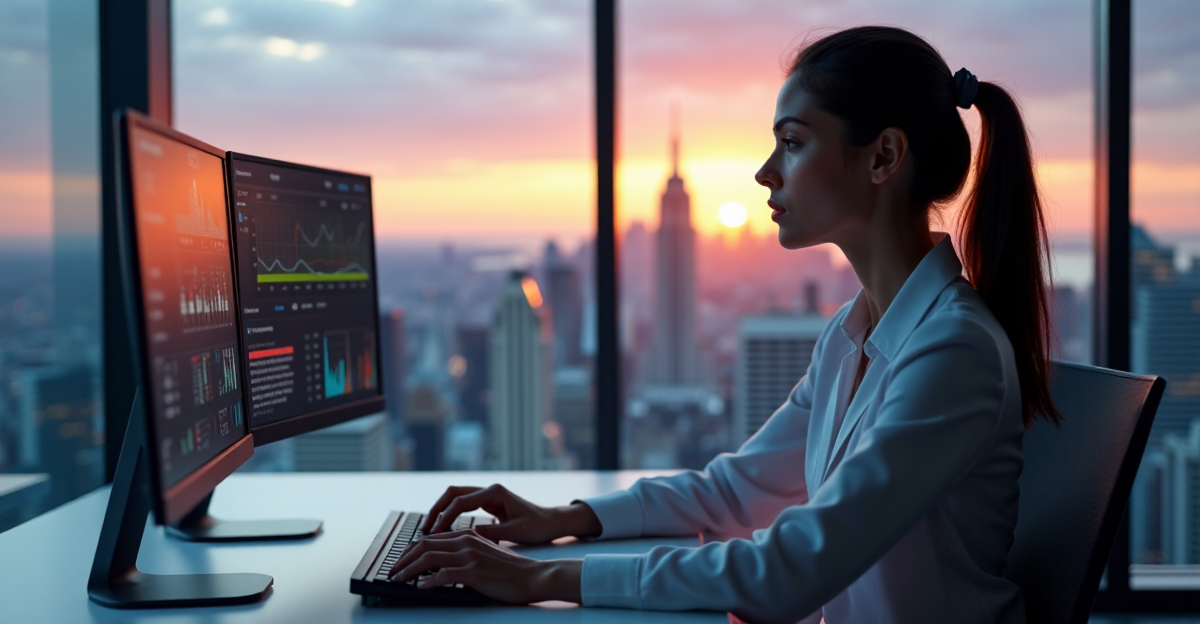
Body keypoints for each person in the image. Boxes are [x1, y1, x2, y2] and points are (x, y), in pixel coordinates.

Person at [388, 25, 1059, 623]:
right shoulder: (854, 335)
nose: (766, 172)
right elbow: (737, 489)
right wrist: (562, 521)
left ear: (883, 157)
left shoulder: (953, 352)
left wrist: (543, 576)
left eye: (792, 143)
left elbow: (789, 574)